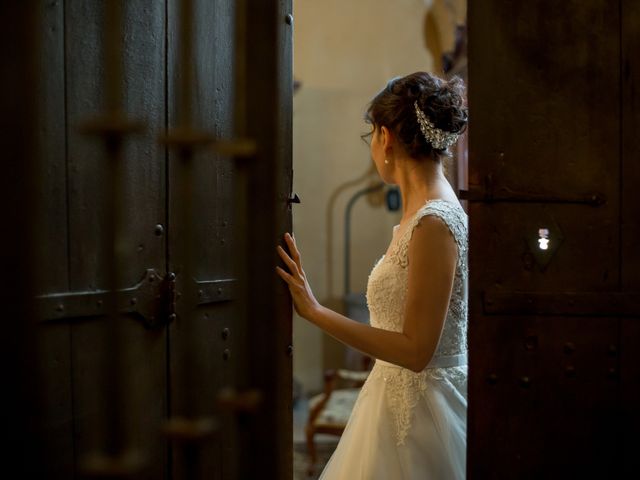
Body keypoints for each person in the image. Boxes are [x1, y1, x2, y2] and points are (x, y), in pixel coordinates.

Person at [276, 71, 469, 479]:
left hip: (423, 416)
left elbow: (417, 352)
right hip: (394, 400)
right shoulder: (423, 211)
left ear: (385, 137)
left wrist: (314, 311)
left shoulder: (435, 220)